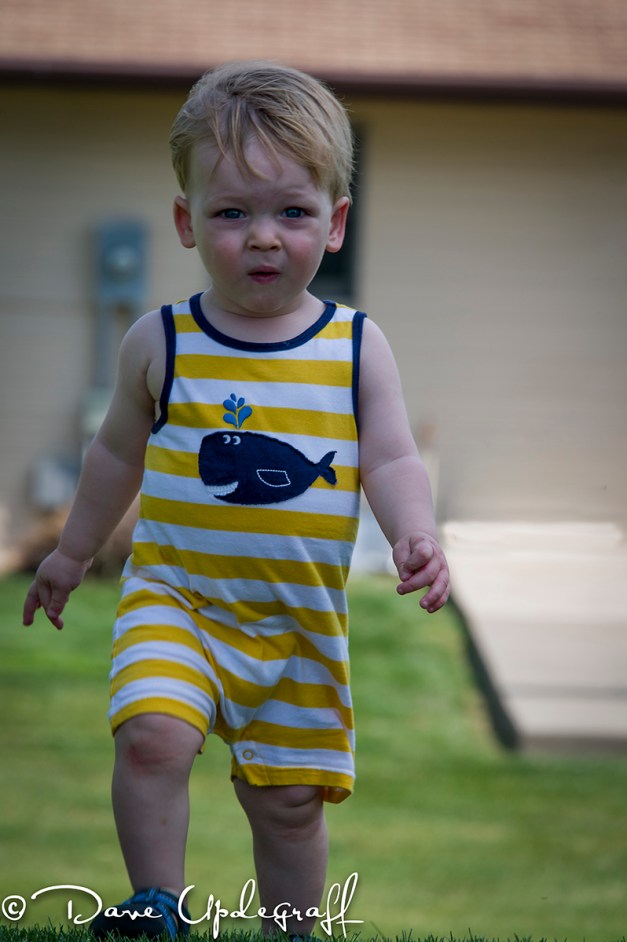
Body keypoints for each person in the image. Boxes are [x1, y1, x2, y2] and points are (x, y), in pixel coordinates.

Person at [22, 60, 449, 939]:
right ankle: (156, 908)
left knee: (288, 803)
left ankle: (290, 930)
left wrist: (414, 532)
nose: (262, 237)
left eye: (291, 212)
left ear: (334, 225)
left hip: (296, 621)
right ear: (187, 223)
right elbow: (114, 457)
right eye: (232, 213)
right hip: (177, 597)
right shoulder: (160, 342)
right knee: (151, 736)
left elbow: (393, 458)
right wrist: (69, 553)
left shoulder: (357, 347)